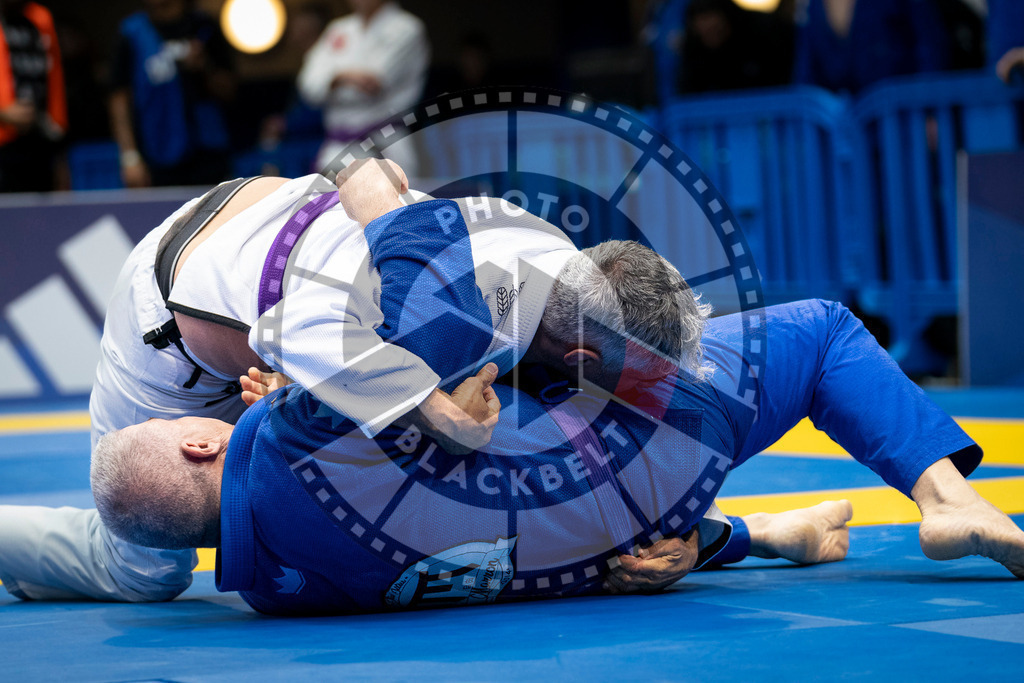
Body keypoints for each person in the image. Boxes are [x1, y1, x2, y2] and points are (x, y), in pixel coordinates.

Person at [0, 162, 845, 603]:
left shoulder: (539, 281)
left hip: (290, 258)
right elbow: (355, 199)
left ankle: (755, 531)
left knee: (486, 466)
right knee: (145, 569)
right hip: (179, 306)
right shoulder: (448, 317)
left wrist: (696, 538)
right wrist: (422, 402)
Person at [109, 0, 235, 187]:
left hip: (208, 151)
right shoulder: (132, 32)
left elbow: (229, 90)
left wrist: (204, 66)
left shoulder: (204, 27)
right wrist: (130, 157)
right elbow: (119, 99)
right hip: (157, 152)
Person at [296, 0, 428, 175]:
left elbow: (372, 85)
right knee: (328, 201)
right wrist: (342, 77)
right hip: (336, 147)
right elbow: (308, 87)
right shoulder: (339, 29)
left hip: (386, 146)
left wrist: (330, 81)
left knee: (395, 201)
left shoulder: (406, 28)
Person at [793, 0, 950, 94]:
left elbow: (929, 44)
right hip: (847, 126)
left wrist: (930, 108)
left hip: (903, 114)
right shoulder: (814, 6)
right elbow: (806, 70)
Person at [0, 0, 66, 192]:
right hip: (4, 140)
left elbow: (55, 78)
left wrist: (57, 128)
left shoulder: (41, 17)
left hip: (40, 138)